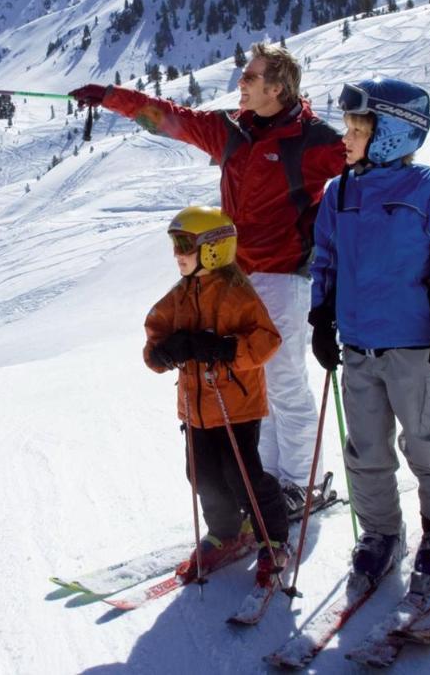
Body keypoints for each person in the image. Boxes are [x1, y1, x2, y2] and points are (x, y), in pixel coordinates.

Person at [72, 43, 346, 512]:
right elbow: (169, 118)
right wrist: (113, 97)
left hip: (285, 274)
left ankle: (299, 481)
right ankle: (265, 483)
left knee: (283, 380)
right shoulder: (231, 131)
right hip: (235, 275)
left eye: (250, 77)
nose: (240, 82)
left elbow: (361, 167)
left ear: (276, 88)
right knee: (249, 379)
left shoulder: (313, 139)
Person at [309, 78, 430, 585]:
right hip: (358, 346)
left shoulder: (429, 188)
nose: (346, 138)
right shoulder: (339, 193)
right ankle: (380, 530)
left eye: (358, 129)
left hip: (417, 346)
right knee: (365, 448)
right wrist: (322, 318)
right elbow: (326, 261)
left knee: (426, 442)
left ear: (391, 134)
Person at [143, 206, 290, 588]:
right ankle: (225, 531)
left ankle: (273, 537)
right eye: (175, 245)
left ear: (213, 249)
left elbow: (267, 340)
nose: (177, 253)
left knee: (241, 475)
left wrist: (226, 349)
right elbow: (155, 333)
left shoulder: (237, 293)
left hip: (235, 407)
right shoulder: (178, 296)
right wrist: (162, 352)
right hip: (195, 409)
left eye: (184, 245)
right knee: (201, 474)